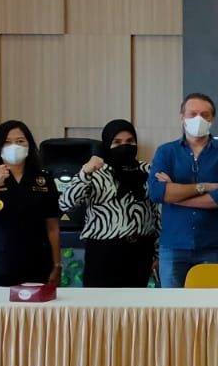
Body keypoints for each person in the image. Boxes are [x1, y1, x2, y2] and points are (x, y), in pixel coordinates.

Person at [148, 92, 218, 289]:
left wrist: (174, 195)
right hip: (173, 246)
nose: (198, 119)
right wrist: (205, 187)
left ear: (213, 119)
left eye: (205, 115)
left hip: (212, 246)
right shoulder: (166, 152)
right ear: (182, 117)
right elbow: (156, 193)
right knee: (173, 306)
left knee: (212, 305)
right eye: (192, 114)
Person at [61, 118, 158, 288]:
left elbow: (157, 214)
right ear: (106, 144)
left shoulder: (148, 171)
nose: (124, 146)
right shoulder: (95, 171)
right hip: (103, 253)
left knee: (136, 304)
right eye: (117, 142)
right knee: (100, 303)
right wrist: (85, 173)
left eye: (130, 141)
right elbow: (66, 203)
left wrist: (158, 254)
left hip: (140, 252)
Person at [0, 120, 61, 286]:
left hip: (37, 263)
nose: (14, 146)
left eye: (20, 141)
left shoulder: (43, 179)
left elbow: (52, 227)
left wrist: (57, 264)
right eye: (7, 142)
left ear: (29, 145)